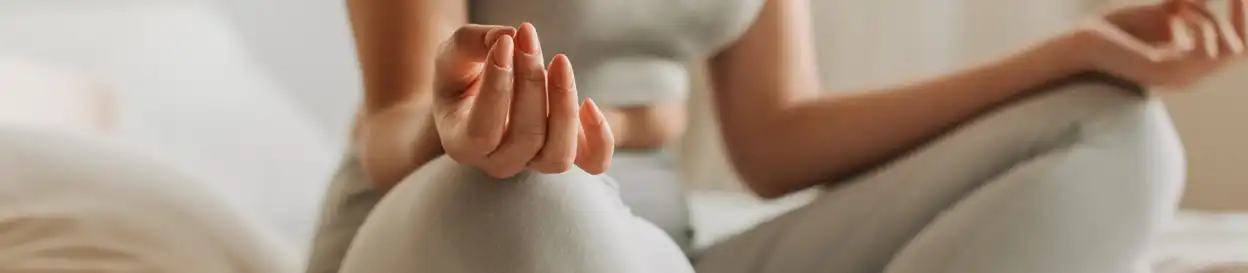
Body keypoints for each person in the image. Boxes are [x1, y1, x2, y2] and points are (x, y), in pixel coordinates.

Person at [307, 0, 1247, 272]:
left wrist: (1077, 53)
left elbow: (778, 138)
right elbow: (395, 117)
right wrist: (458, 129)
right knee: (532, 200)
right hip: (441, 222)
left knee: (1115, 130)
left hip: (651, 243)